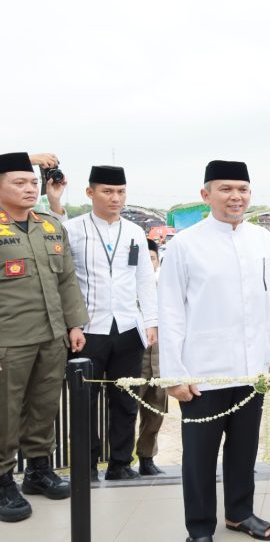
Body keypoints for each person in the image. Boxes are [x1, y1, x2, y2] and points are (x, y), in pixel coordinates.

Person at [159, 160, 270, 542]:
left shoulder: (264, 240)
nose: (236, 197)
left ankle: (240, 513)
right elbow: (170, 311)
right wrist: (174, 374)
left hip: (252, 369)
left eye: (243, 189)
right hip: (203, 371)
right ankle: (199, 528)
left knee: (243, 449)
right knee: (199, 456)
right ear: (206, 194)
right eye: (226, 189)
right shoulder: (185, 244)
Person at [0, 152, 88, 523]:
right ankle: (4, 479)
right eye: (19, 182)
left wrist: (74, 324)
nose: (29, 187)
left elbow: (66, 279)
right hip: (9, 339)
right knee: (4, 409)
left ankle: (38, 468)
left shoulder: (50, 226)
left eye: (32, 182)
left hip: (52, 336)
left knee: (45, 404)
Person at [59, 166, 158, 481]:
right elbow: (64, 279)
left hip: (128, 328)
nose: (115, 198)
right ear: (90, 193)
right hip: (88, 330)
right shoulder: (72, 229)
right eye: (107, 191)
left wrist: (151, 321)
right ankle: (85, 467)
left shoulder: (134, 232)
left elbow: (144, 278)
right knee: (84, 402)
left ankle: (119, 463)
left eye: (121, 192)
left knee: (125, 400)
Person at [136, 238, 168, 475]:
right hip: (135, 360)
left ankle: (147, 458)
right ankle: (119, 461)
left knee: (155, 412)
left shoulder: (166, 289)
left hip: (160, 360)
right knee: (126, 412)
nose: (149, 264)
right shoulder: (128, 288)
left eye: (152, 259)